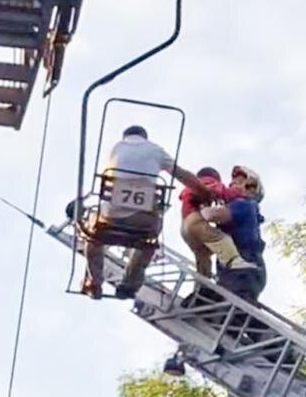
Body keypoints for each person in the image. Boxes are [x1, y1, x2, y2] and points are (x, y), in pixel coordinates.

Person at [82, 125, 209, 300]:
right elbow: (182, 175)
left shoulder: (115, 149)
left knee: (93, 237)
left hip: (111, 216)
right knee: (147, 243)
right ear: (145, 137)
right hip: (144, 220)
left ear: (125, 136)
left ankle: (94, 282)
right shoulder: (155, 150)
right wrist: (204, 192)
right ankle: (129, 286)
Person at [197, 165, 268, 302]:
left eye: (240, 183)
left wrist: (201, 206)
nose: (233, 186)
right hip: (239, 273)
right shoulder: (248, 212)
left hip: (242, 273)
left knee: (234, 314)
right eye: (232, 183)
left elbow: (210, 215)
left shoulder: (244, 205)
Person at [179, 167, 257, 277]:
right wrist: (238, 193)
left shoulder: (189, 188)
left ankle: (202, 282)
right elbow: (222, 192)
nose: (232, 184)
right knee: (221, 239)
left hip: (185, 228)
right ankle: (233, 260)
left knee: (203, 254)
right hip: (194, 221)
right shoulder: (209, 182)